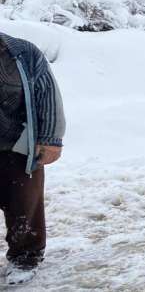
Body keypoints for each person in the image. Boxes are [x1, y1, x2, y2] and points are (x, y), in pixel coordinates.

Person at [0, 32, 65, 286]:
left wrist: (50, 138)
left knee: (24, 205)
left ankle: (25, 258)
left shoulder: (23, 53)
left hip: (17, 145)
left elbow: (47, 95)